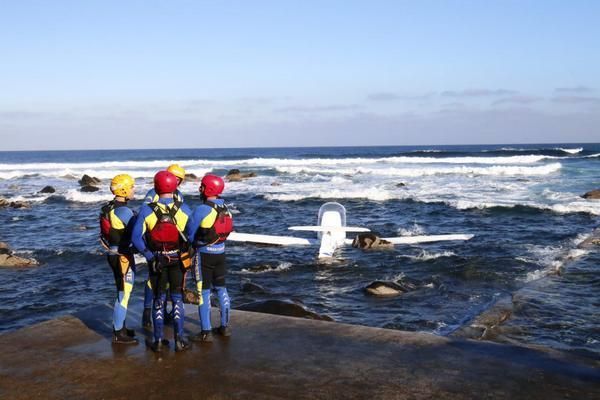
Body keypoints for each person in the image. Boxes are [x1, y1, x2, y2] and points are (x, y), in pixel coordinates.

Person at [132, 171, 193, 352]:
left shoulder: (147, 209)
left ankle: (158, 341)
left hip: (157, 260)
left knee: (158, 299)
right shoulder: (184, 208)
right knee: (176, 300)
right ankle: (179, 340)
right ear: (175, 186)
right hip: (177, 260)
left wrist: (150, 256)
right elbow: (192, 234)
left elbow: (136, 238)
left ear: (156, 187)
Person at [186, 174, 234, 343]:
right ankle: (225, 326)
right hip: (221, 253)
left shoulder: (203, 209)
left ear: (208, 189)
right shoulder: (225, 207)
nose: (200, 189)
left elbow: (189, 231)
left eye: (202, 186)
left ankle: (206, 332)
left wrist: (191, 245)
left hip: (204, 256)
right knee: (222, 289)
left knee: (203, 292)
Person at [141, 164, 186, 327]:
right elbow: (144, 215)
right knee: (152, 279)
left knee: (168, 281)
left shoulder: (179, 195)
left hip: (173, 245)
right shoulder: (152, 194)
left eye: (179, 180)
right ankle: (147, 312)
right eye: (175, 179)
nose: (177, 182)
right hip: (155, 242)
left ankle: (164, 312)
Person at [100, 174, 138, 345]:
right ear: (123, 189)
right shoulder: (124, 211)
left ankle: (121, 327)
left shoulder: (107, 208)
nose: (134, 189)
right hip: (123, 257)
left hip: (113, 254)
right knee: (124, 294)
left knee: (122, 291)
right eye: (131, 186)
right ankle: (118, 333)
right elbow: (137, 233)